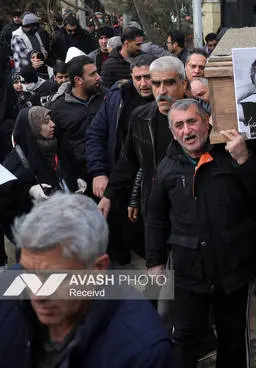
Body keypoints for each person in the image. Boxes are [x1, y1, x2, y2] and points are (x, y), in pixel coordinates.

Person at [145, 98, 256, 368]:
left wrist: (244, 161)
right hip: (189, 272)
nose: (187, 131)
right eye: (179, 125)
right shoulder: (167, 167)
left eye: (192, 121)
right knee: (184, 338)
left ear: (207, 122)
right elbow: (155, 216)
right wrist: (155, 262)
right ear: (173, 132)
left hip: (232, 269)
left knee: (233, 340)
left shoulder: (232, 154)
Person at [0, 193, 173, 368]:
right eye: (28, 272)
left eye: (54, 278)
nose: (37, 295)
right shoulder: (6, 289)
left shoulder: (143, 352)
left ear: (98, 269)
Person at [98, 56, 187, 224]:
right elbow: (128, 161)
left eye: (169, 83)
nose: (161, 91)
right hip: (154, 207)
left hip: (189, 207)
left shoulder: (199, 118)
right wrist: (109, 195)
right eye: (156, 84)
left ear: (183, 84)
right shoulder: (140, 117)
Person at [86, 54, 156, 264]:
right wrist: (99, 172)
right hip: (120, 180)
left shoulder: (164, 101)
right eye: (138, 78)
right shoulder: (117, 97)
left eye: (148, 77)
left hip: (152, 184)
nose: (143, 84)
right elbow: (95, 135)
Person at [3, 106, 85, 203]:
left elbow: (74, 167)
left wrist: (78, 178)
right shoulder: (17, 158)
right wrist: (30, 190)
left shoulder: (58, 145)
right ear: (33, 128)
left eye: (51, 120)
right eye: (46, 122)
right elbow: (7, 189)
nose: (53, 124)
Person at [51, 55, 105, 184]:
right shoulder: (58, 108)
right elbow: (58, 146)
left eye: (97, 72)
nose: (98, 77)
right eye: (92, 74)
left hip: (108, 170)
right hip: (80, 179)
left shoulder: (107, 97)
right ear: (78, 80)